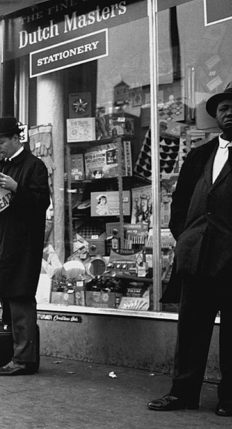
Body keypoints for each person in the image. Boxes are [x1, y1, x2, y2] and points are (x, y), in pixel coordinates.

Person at [147, 83, 232, 417]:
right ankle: (183, 392)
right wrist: (186, 239)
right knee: (191, 328)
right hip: (198, 257)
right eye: (223, 107)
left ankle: (229, 398)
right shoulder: (200, 155)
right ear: (216, 115)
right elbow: (180, 205)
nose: (229, 112)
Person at [0, 117, 50, 376]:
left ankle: (24, 359)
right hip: (4, 240)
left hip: (23, 244)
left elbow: (40, 203)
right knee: (10, 298)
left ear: (16, 138)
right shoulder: (2, 165)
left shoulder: (34, 166)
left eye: (1, 142)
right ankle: (16, 354)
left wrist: (16, 188)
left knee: (21, 298)